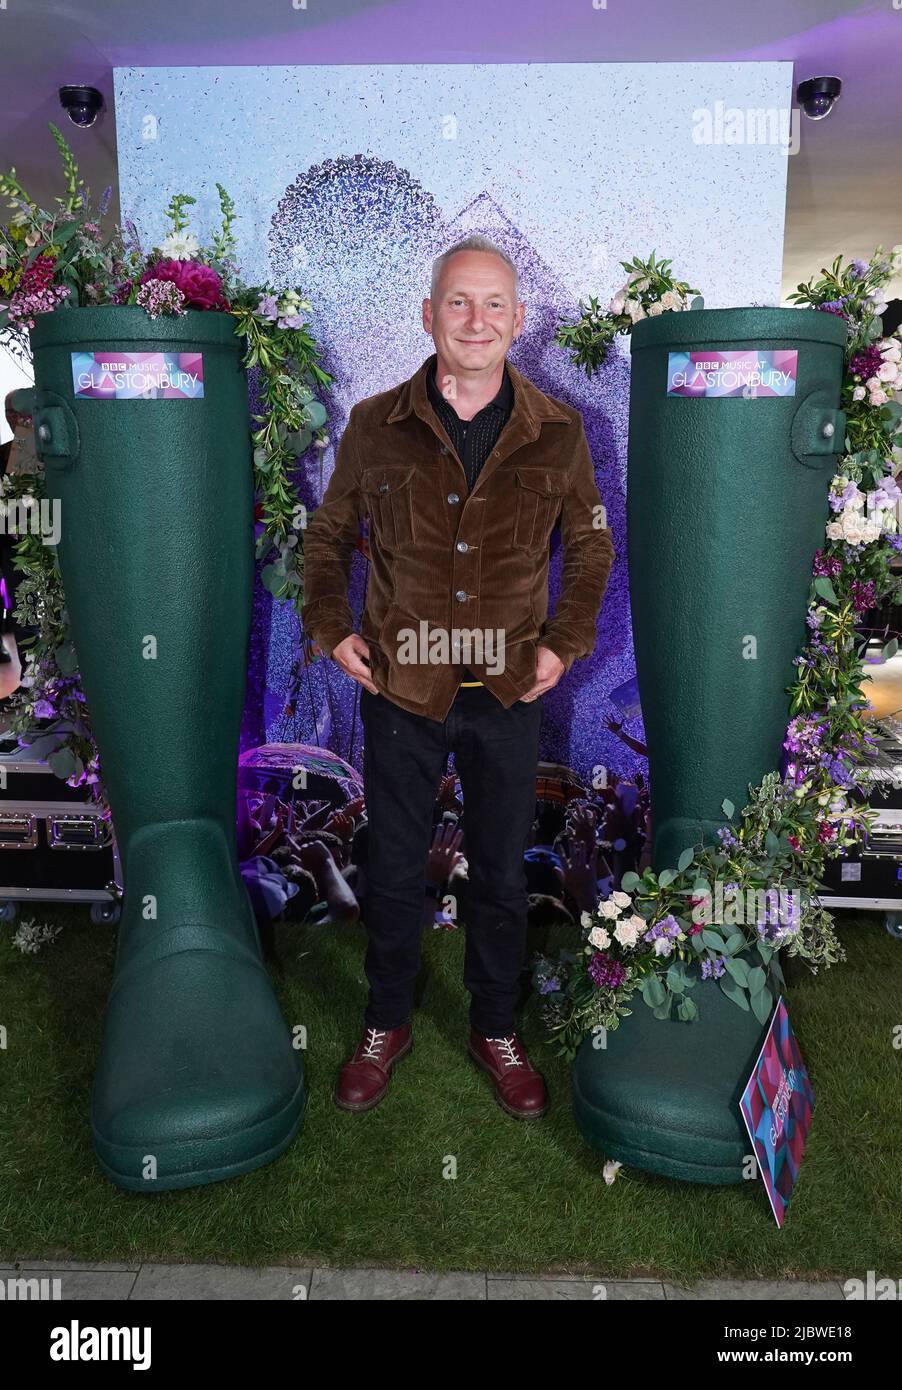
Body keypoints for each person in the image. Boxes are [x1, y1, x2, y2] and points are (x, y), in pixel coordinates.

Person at [301, 234, 615, 1117]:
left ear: (518, 319)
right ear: (429, 313)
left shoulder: (560, 432)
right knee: (396, 870)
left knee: (503, 878)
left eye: (493, 304)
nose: (476, 320)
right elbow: (327, 538)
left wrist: (565, 641)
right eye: (458, 302)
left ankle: (495, 1027)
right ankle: (385, 1021)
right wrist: (331, 628)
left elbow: (591, 543)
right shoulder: (374, 423)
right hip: (402, 691)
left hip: (508, 693)